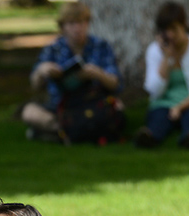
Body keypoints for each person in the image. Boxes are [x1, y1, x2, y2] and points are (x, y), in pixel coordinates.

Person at [21, 2, 124, 145]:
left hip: (92, 102)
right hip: (61, 106)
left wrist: (97, 74)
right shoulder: (53, 49)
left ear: (88, 24)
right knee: (29, 112)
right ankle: (73, 131)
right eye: (72, 24)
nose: (77, 28)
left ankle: (58, 134)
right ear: (63, 27)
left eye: (81, 23)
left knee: (117, 106)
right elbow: (35, 85)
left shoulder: (101, 46)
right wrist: (41, 71)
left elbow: (115, 84)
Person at [135, 1, 189, 149]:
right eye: (166, 30)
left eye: (174, 29)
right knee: (158, 117)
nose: (170, 35)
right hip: (164, 104)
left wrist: (179, 108)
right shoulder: (155, 51)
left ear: (184, 25)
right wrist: (166, 59)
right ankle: (149, 136)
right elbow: (154, 90)